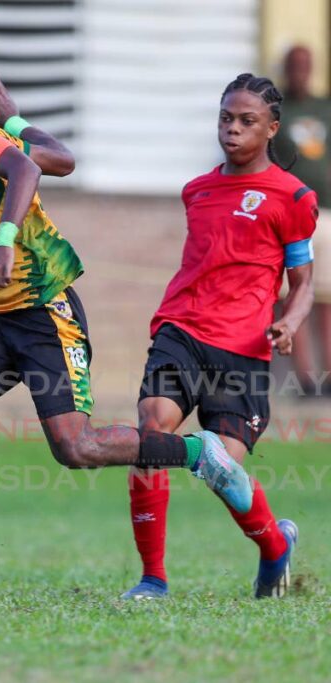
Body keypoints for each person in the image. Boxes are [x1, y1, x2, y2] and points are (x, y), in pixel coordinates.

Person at [0, 69, 254, 566]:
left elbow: (27, 172)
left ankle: (203, 456)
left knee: (77, 448)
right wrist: (16, 122)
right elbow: (62, 160)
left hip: (45, 310)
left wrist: (4, 239)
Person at [122, 74, 314, 601]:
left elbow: (303, 282)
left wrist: (290, 322)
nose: (232, 129)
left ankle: (275, 547)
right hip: (180, 329)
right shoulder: (198, 190)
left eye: (246, 121)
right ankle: (153, 578)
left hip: (243, 349)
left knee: (220, 466)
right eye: (226, 118)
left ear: (271, 128)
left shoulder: (294, 197)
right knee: (150, 435)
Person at [272, 45, 331, 397]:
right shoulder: (278, 111)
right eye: (293, 65)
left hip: (327, 214)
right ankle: (306, 380)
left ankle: (328, 377)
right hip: (294, 218)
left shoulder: (323, 108)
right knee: (295, 295)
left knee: (325, 296)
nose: (299, 71)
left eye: (304, 65)